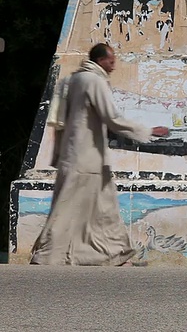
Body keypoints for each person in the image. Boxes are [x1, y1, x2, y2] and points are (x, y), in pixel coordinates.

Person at [30, 43, 169, 266]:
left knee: (105, 210)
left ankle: (116, 256)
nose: (113, 66)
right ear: (101, 60)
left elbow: (59, 122)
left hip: (75, 155)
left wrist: (58, 156)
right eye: (111, 61)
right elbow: (112, 118)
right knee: (67, 210)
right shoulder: (94, 81)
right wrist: (148, 131)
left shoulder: (71, 81)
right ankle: (45, 256)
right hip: (86, 159)